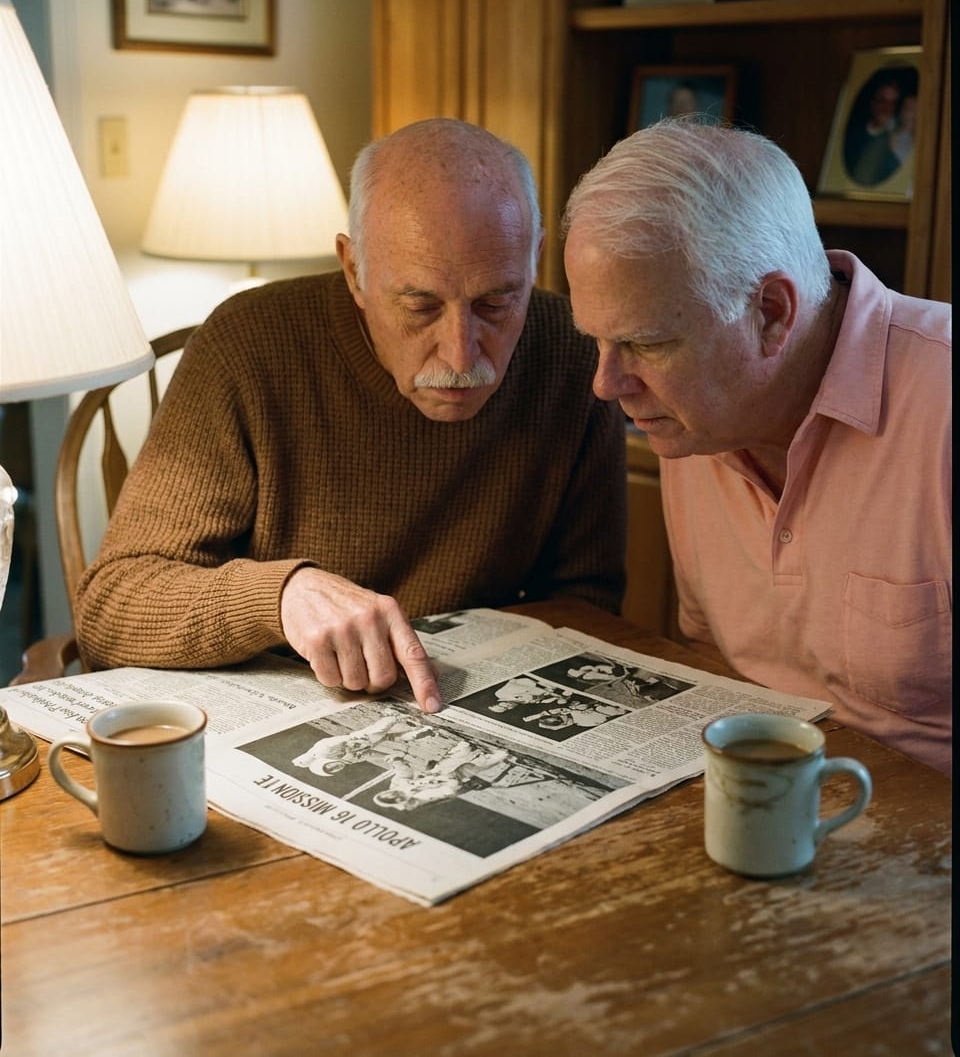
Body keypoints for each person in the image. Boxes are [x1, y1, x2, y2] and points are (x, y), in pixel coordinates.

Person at [75, 118, 627, 714]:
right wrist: (281, 597)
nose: (462, 352)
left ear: (536, 259)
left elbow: (586, 602)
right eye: (419, 305)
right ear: (354, 270)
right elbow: (111, 609)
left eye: (496, 302)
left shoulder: (579, 355)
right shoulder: (248, 344)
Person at [561, 117, 951, 774]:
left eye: (645, 344)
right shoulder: (694, 419)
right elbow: (716, 669)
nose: (607, 384)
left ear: (770, 312)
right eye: (598, 341)